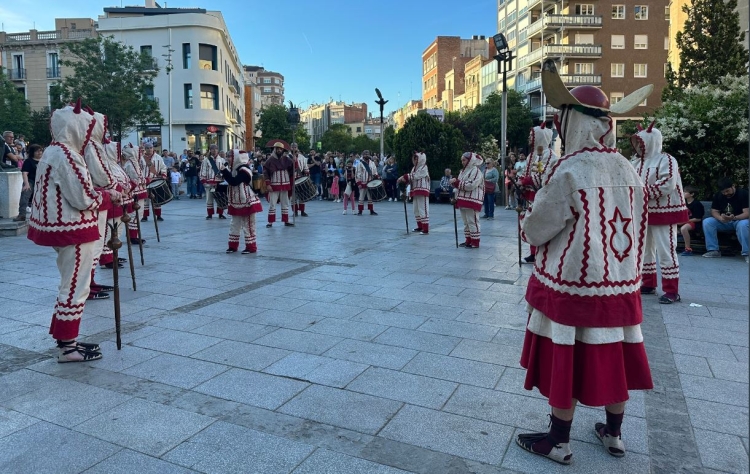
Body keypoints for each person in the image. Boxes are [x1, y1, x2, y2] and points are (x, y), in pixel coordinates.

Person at [516, 60, 654, 464]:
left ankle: (558, 441)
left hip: (574, 283)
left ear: (572, 123)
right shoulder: (629, 168)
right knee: (614, 354)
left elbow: (538, 229)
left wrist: (528, 218)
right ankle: (614, 434)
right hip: (620, 284)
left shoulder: (570, 169)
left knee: (569, 358)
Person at [27, 101, 107, 362]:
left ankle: (65, 340)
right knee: (75, 287)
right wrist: (108, 197)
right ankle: (68, 348)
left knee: (70, 285)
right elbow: (83, 197)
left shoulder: (53, 151)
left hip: (64, 229)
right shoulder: (67, 155)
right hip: (74, 229)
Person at [631, 122, 689, 304]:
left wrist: (641, 193)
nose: (639, 146)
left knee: (666, 249)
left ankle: (672, 290)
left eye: (642, 142)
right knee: (644, 250)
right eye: (637, 142)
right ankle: (648, 283)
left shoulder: (667, 160)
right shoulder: (635, 162)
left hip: (665, 211)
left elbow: (668, 183)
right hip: (642, 212)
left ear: (652, 141)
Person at [518, 121, 559, 262]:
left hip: (542, 195)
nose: (529, 138)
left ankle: (541, 253)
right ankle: (533, 251)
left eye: (532, 136)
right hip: (530, 196)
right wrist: (521, 181)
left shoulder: (549, 155)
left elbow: (544, 176)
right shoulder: (531, 156)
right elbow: (526, 172)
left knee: (540, 223)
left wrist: (528, 180)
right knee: (531, 223)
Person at [220, 150, 263, 254]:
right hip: (236, 201)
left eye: (230, 157)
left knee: (248, 224)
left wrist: (225, 171)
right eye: (228, 156)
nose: (228, 159)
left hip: (246, 201)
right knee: (234, 224)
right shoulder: (234, 169)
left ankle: (251, 247)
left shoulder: (244, 170)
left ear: (237, 158)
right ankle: (233, 246)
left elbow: (234, 182)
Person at [702, 177, 749, 262]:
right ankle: (713, 250)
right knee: (707, 222)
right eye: (723, 192)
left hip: (739, 220)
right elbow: (714, 211)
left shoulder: (743, 194)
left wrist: (734, 217)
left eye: (727, 191)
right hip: (724, 221)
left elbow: (747, 213)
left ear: (733, 186)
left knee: (744, 225)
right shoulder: (718, 195)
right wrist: (720, 218)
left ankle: (747, 253)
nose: (725, 193)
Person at [452, 152, 484, 247]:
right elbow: (459, 184)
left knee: (472, 221)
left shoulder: (476, 171)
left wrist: (457, 183)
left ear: (470, 160)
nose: (462, 162)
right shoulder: (462, 171)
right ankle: (468, 240)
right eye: (461, 160)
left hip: (472, 199)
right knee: (466, 222)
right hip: (462, 199)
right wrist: (455, 194)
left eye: (464, 160)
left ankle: (475, 242)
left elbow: (471, 185)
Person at [398, 152, 431, 234]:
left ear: (421, 159)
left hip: (422, 190)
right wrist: (405, 181)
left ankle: (425, 228)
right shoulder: (414, 168)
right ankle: (420, 226)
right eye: (414, 158)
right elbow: (412, 178)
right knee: (416, 209)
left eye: (416, 158)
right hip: (415, 190)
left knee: (423, 208)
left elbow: (416, 176)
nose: (415, 160)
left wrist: (404, 177)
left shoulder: (424, 167)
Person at [121, 143, 147, 245]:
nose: (140, 153)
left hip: (138, 191)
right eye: (138, 151)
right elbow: (137, 178)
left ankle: (133, 235)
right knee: (136, 214)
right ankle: (133, 236)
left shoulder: (132, 162)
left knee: (138, 214)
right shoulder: (131, 163)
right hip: (136, 192)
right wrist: (147, 180)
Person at [264, 142, 295, 227]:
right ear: (274, 149)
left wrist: (294, 160)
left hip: (285, 183)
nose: (279, 150)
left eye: (280, 149)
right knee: (272, 203)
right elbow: (265, 172)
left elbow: (293, 169)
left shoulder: (287, 159)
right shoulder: (270, 160)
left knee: (285, 203)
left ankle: (286, 220)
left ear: (283, 150)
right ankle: (270, 222)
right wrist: (268, 184)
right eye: (277, 149)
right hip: (274, 184)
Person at [13, 144, 42, 222]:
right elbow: (25, 173)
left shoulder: (44, 161)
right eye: (37, 151)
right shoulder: (28, 161)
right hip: (31, 181)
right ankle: (22, 215)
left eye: (40, 150)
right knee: (25, 196)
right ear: (33, 152)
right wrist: (26, 184)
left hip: (41, 181)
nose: (39, 152)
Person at [200, 144, 227, 219]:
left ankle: (220, 214)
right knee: (209, 199)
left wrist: (224, 179)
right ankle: (210, 214)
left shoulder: (222, 160)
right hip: (209, 182)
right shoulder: (206, 160)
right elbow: (203, 171)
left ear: (217, 150)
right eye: (212, 149)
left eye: (215, 149)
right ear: (210, 150)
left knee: (220, 198)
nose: (214, 150)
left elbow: (226, 171)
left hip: (219, 182)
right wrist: (204, 181)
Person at [141, 142, 167, 222]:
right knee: (145, 200)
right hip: (145, 181)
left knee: (157, 199)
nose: (149, 149)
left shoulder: (158, 157)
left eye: (150, 148)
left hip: (155, 180)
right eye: (147, 148)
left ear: (153, 148)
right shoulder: (141, 158)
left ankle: (158, 215)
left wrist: (163, 174)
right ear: (145, 149)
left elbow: (163, 167)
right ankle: (144, 216)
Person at [678, 186, 705, 256]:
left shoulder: (697, 204)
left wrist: (684, 221)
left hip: (694, 223)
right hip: (686, 221)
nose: (683, 193)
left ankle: (688, 249)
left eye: (685, 192)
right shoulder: (683, 203)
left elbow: (698, 218)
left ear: (692, 194)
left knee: (683, 228)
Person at [355, 150, 379, 215]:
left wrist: (377, 176)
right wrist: (359, 183)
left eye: (368, 154)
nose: (367, 155)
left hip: (370, 182)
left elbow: (374, 171)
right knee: (361, 197)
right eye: (365, 154)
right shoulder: (360, 163)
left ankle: (371, 210)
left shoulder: (372, 163)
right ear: (363, 155)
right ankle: (360, 211)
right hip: (363, 182)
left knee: (370, 197)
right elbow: (357, 174)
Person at [290, 143, 310, 217]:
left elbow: (305, 168)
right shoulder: (288, 157)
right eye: (292, 147)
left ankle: (302, 211)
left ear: (297, 148)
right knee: (293, 197)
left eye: (295, 147)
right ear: (290, 148)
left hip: (300, 177)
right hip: (291, 178)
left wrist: (307, 173)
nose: (294, 148)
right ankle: (295, 212)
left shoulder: (302, 157)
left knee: (302, 196)